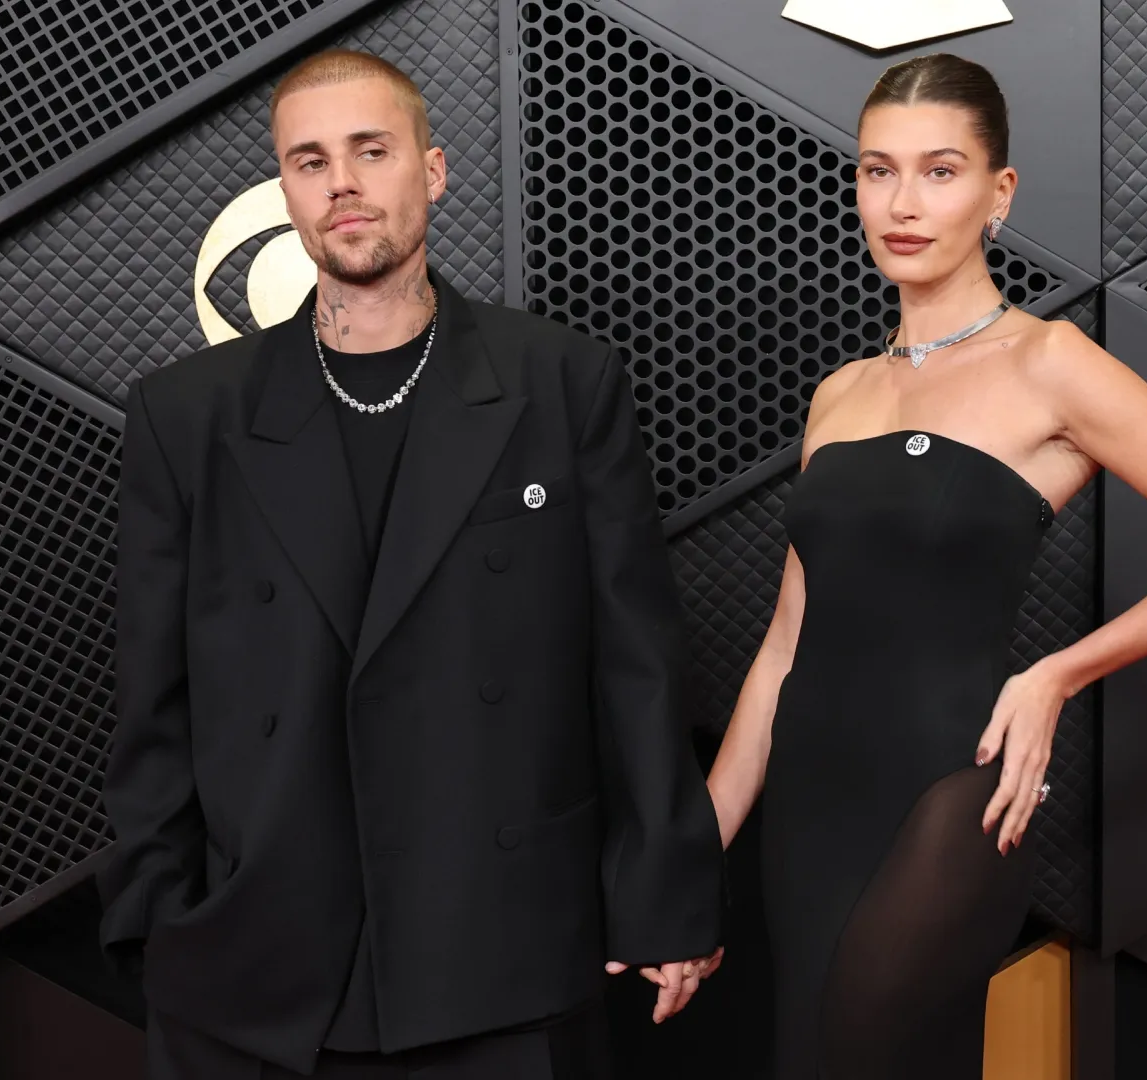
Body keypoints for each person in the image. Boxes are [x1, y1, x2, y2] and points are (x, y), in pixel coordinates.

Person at [97, 49, 723, 1079]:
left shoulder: (562, 382)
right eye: (309, 161)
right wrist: (157, 918)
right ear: (285, 192)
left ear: (432, 172)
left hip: (503, 944)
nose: (341, 183)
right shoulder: (188, 414)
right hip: (261, 966)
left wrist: (667, 891)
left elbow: (635, 665)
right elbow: (153, 699)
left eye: (371, 151)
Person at [699, 54, 1147, 1079]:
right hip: (807, 808)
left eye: (940, 172)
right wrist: (694, 853)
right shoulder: (839, 394)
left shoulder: (1050, 362)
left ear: (999, 193)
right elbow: (784, 649)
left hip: (949, 793)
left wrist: (1058, 673)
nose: (902, 204)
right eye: (878, 171)